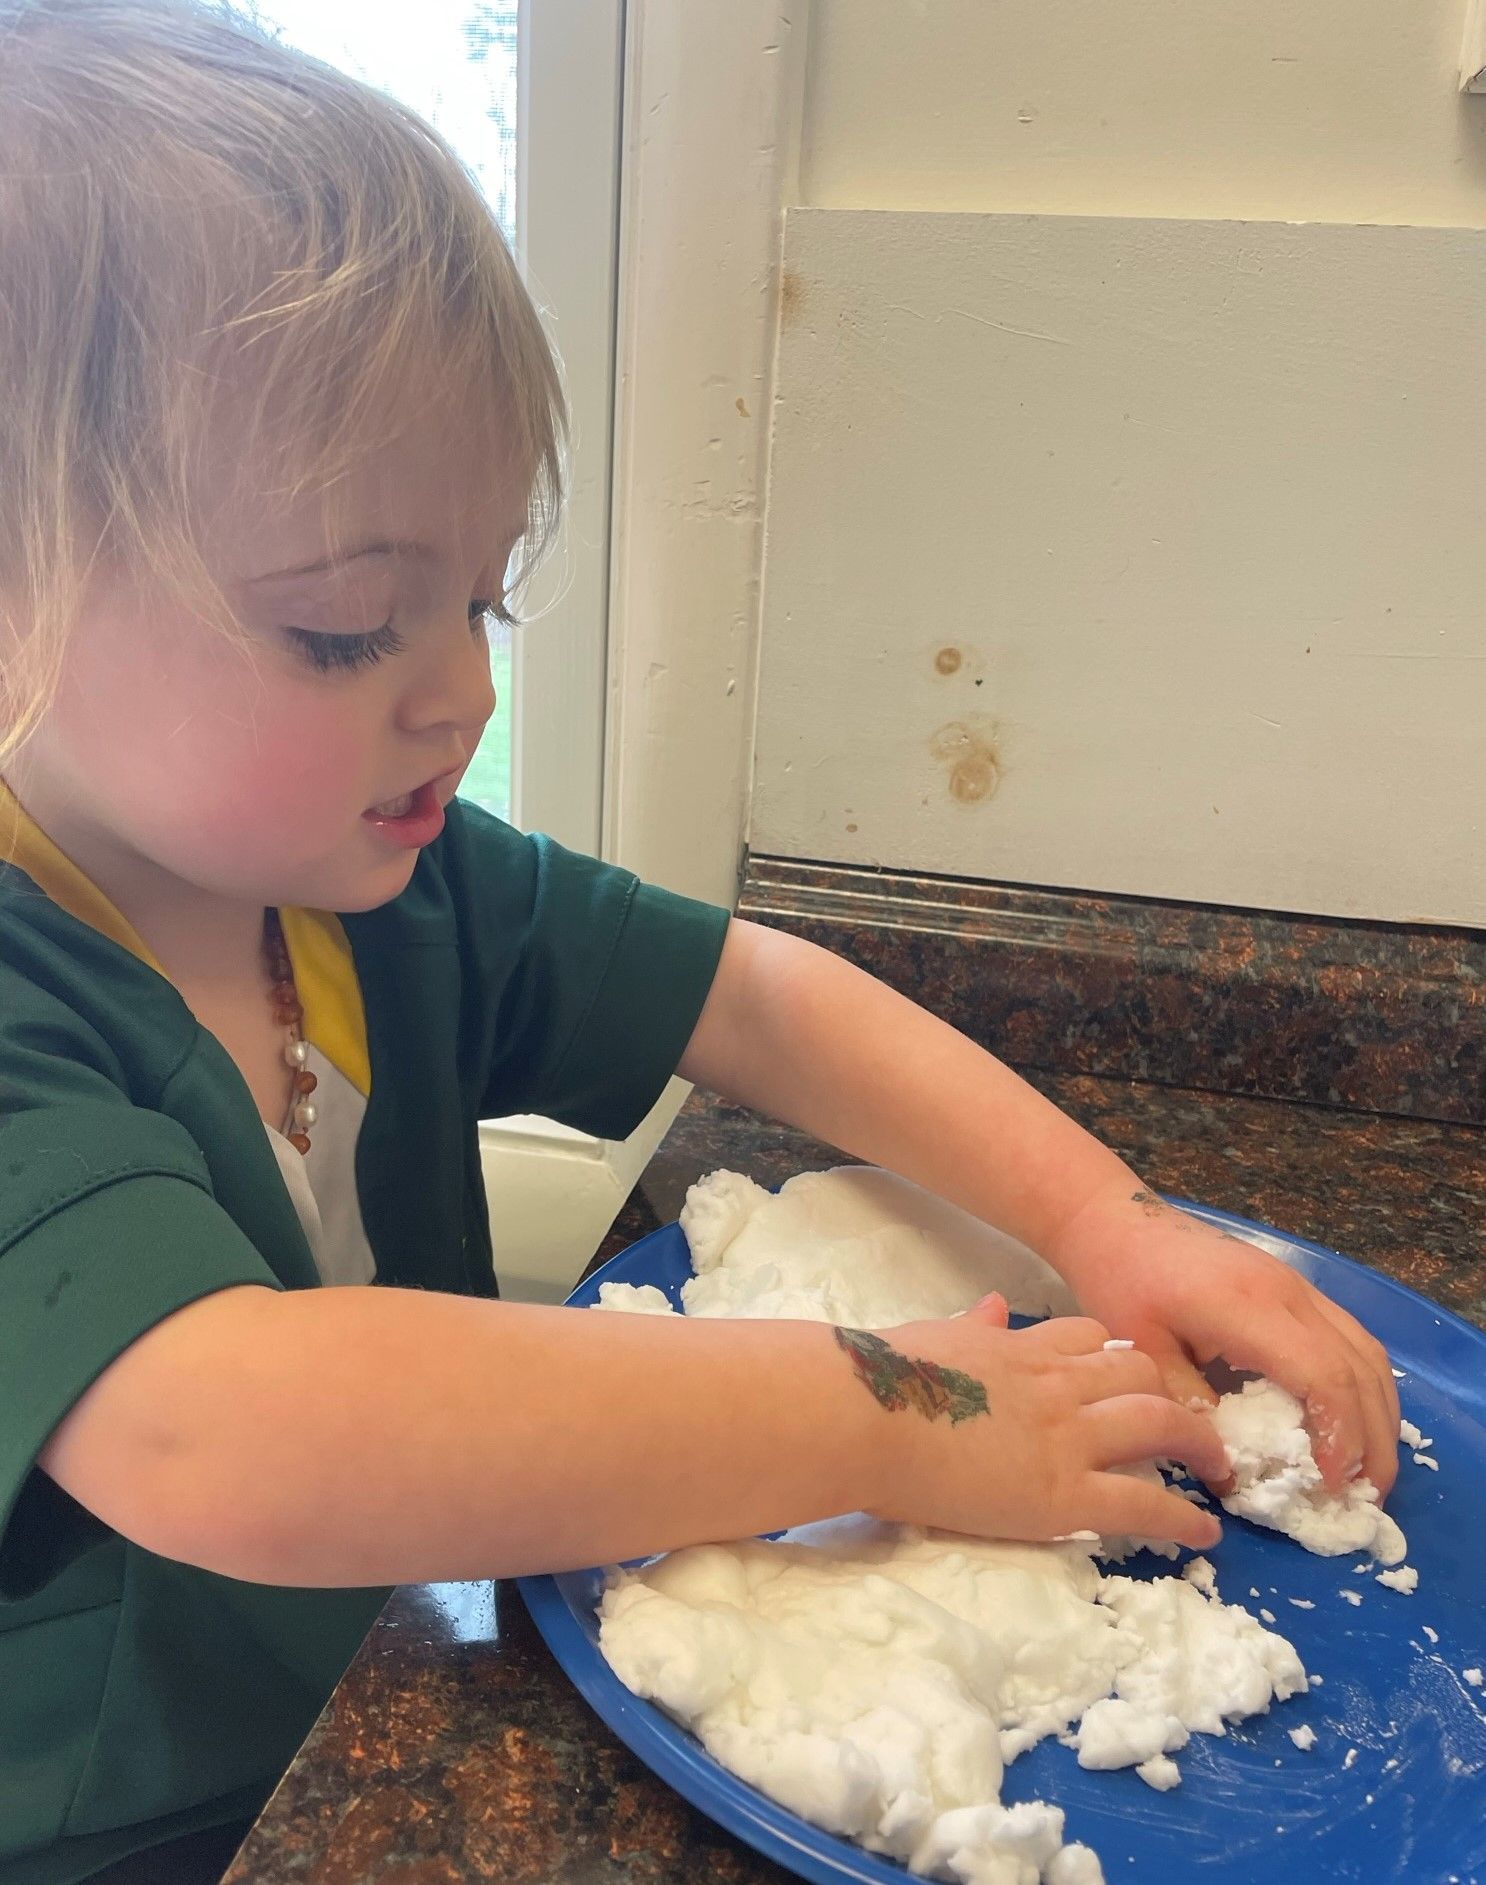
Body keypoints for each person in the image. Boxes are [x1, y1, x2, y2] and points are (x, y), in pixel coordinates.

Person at [0, 3, 1399, 1880]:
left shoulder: (371, 886)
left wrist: (1102, 1218)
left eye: (482, 594)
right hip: (119, 1825)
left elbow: (752, 990)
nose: (458, 698)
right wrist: (893, 1411)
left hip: (363, 1679)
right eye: (344, 627)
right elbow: (217, 1425)